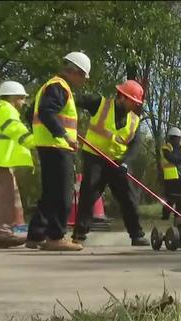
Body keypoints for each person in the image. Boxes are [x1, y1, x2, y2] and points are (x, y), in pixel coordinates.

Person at [26, 52, 91, 251]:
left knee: (50, 193)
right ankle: (55, 237)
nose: (82, 82)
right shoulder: (59, 87)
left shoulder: (49, 86)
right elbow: (47, 112)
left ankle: (36, 235)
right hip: (57, 147)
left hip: (48, 145)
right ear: (75, 72)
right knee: (63, 193)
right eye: (83, 77)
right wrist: (64, 135)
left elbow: (32, 114)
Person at [71, 80, 148, 247]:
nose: (134, 106)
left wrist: (126, 163)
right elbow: (72, 101)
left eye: (136, 103)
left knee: (129, 197)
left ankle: (137, 235)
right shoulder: (99, 104)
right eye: (132, 102)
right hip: (94, 157)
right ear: (122, 97)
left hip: (119, 163)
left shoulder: (134, 121)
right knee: (88, 193)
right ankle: (79, 234)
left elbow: (135, 145)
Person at [0, 81, 35, 248]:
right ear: (14, 97)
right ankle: (3, 234)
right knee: (6, 198)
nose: (24, 102)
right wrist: (42, 141)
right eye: (22, 98)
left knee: (3, 198)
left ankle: (3, 232)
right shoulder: (7, 111)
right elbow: (19, 133)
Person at [161, 127, 181, 220]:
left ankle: (178, 216)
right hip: (171, 178)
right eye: (177, 138)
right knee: (170, 198)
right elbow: (170, 158)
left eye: (179, 138)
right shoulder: (166, 147)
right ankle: (165, 215)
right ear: (171, 138)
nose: (179, 140)